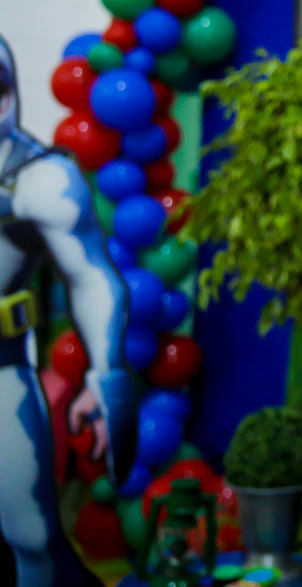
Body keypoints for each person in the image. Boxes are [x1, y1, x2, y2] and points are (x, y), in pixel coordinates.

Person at [0, 36, 136, 587]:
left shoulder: (39, 179)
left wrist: (106, 377)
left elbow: (92, 278)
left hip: (2, 372)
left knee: (29, 537)